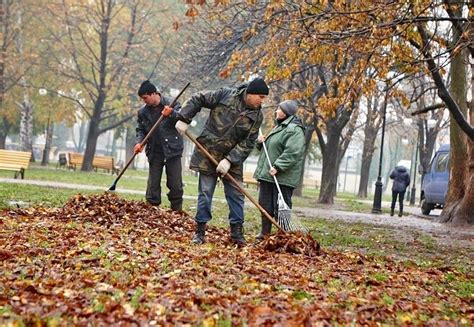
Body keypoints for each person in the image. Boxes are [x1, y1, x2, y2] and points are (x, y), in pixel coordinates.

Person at [175, 77, 269, 245]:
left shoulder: (257, 116)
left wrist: (229, 160)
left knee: (236, 195)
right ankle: (200, 231)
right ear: (251, 93)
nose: (262, 101)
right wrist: (184, 118)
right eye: (261, 97)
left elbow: (248, 143)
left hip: (233, 160)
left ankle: (237, 234)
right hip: (208, 152)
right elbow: (199, 98)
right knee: (205, 193)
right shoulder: (225, 95)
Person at [253, 100, 305, 241]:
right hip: (268, 175)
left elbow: (293, 152)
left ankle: (283, 236)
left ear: (285, 112)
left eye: (279, 109)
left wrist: (278, 166)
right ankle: (265, 233)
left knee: (280, 208)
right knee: (265, 205)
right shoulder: (278, 127)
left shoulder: (294, 129)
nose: (276, 111)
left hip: (282, 177)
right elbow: (270, 149)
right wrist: (260, 142)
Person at [135, 80, 184, 211]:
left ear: (153, 94)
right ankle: (152, 210)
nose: (144, 101)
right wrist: (139, 142)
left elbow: (184, 117)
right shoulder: (143, 112)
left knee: (175, 184)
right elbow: (140, 129)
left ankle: (176, 210)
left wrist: (172, 113)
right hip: (154, 150)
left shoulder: (172, 103)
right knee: (153, 184)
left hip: (172, 150)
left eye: (145, 98)